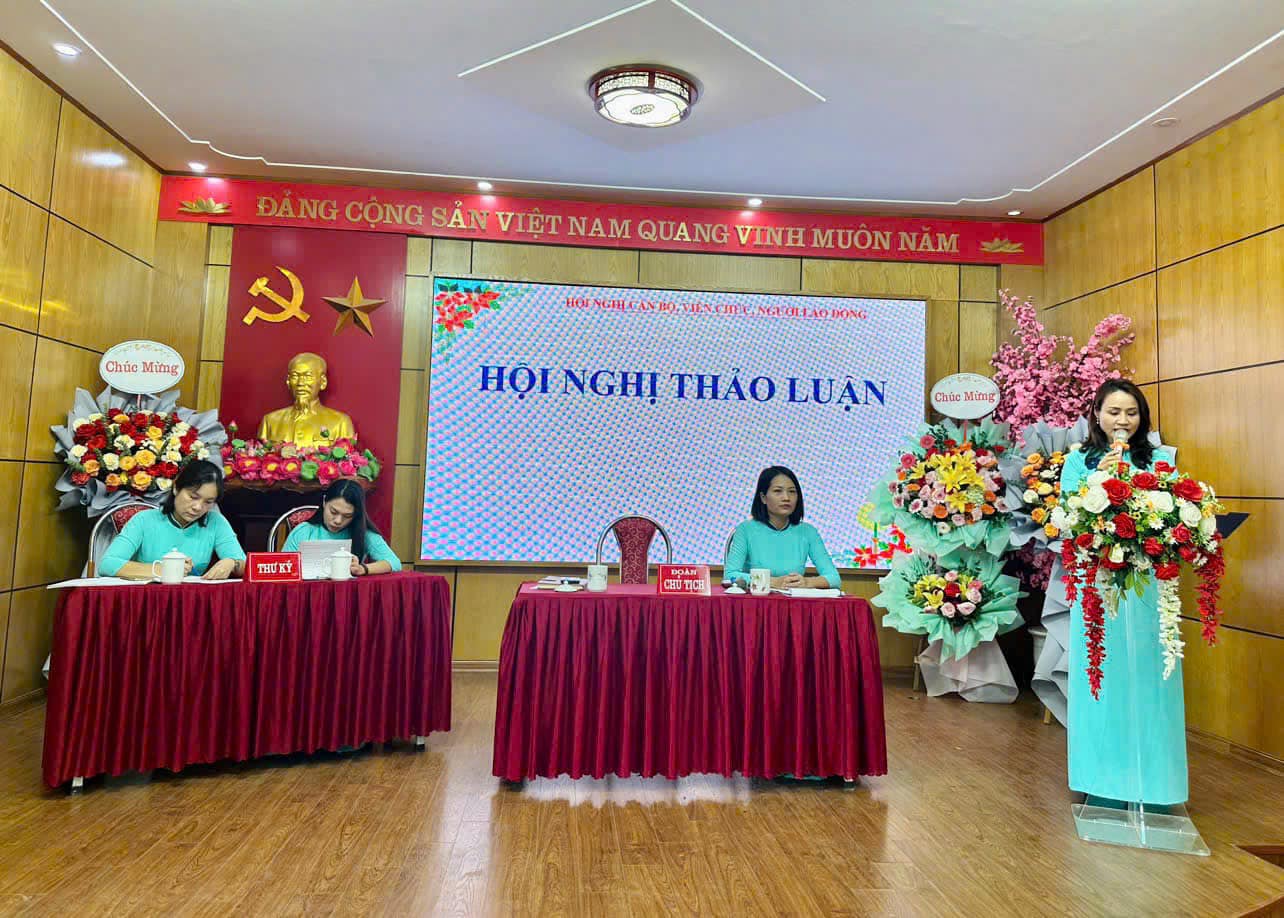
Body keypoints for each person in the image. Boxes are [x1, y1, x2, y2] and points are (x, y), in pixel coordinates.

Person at [1060, 379, 1186, 805]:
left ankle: (1156, 785)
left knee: (1152, 676)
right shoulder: (1078, 461)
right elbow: (1069, 518)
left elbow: (1173, 513)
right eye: (1114, 412)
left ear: (1142, 417)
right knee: (1103, 673)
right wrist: (1103, 478)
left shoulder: (1162, 459)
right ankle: (1101, 781)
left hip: (1148, 585)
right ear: (1097, 415)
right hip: (1098, 585)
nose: (1123, 421)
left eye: (1131, 413)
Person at [99, 459, 246, 580]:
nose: (198, 507)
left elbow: (246, 566)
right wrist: (162, 569)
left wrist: (232, 562)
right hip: (147, 598)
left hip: (192, 600)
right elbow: (107, 564)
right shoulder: (144, 520)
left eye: (208, 502)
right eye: (193, 497)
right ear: (176, 487)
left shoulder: (215, 522)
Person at [724, 466, 840, 590]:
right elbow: (730, 575)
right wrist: (772, 581)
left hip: (793, 599)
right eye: (778, 491)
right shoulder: (746, 529)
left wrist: (807, 582)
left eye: (792, 491)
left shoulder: (808, 531)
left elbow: (834, 578)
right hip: (756, 599)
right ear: (763, 497)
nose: (786, 498)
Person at [283, 478, 401, 575]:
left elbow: (394, 563)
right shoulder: (304, 531)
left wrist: (362, 569)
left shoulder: (363, 534)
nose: (338, 521)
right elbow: (283, 569)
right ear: (324, 502)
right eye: (333, 512)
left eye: (347, 515)